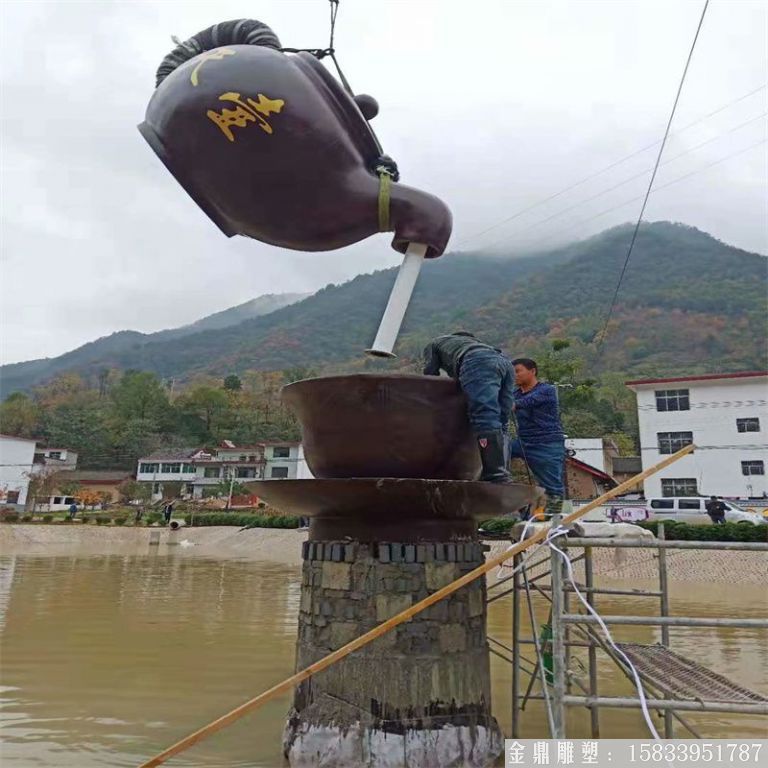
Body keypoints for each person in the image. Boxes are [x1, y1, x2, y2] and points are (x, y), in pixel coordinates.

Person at [423, 331, 514, 483]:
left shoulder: (436, 342)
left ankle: (495, 474)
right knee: (502, 418)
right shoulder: (478, 344)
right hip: (504, 362)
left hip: (477, 362)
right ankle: (502, 470)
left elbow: (430, 374)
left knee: (484, 415)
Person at [508, 358, 566, 518]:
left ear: (532, 371)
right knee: (494, 454)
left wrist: (507, 403)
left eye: (518, 371)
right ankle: (515, 500)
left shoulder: (546, 390)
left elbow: (525, 402)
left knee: (554, 488)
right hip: (522, 442)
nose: (514, 376)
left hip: (547, 443)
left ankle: (556, 526)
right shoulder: (515, 394)